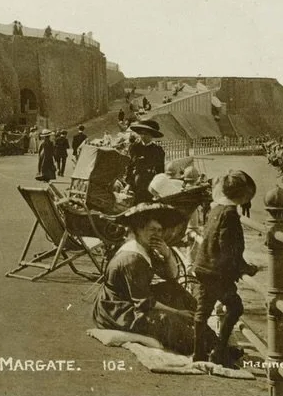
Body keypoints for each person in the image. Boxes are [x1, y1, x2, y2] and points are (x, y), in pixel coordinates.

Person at [92, 203, 216, 355]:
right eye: (152, 230)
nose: (157, 234)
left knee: (175, 290)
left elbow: (172, 276)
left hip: (130, 301)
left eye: (159, 230)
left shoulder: (145, 248)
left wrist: (168, 254)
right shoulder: (132, 258)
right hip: (117, 311)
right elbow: (144, 302)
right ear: (138, 229)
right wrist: (177, 312)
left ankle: (209, 336)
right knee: (169, 321)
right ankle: (206, 346)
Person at [192, 170, 258, 367]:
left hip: (202, 266)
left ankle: (199, 353)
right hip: (216, 272)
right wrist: (244, 268)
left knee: (202, 312)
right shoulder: (230, 214)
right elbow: (229, 249)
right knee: (236, 307)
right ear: (243, 195)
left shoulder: (216, 209)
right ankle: (219, 351)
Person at [126, 120, 166, 204]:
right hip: (136, 185)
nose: (143, 136)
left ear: (152, 135)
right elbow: (130, 167)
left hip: (151, 184)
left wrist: (159, 187)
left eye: (146, 134)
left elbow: (160, 170)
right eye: (141, 133)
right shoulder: (134, 147)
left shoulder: (158, 150)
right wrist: (129, 184)